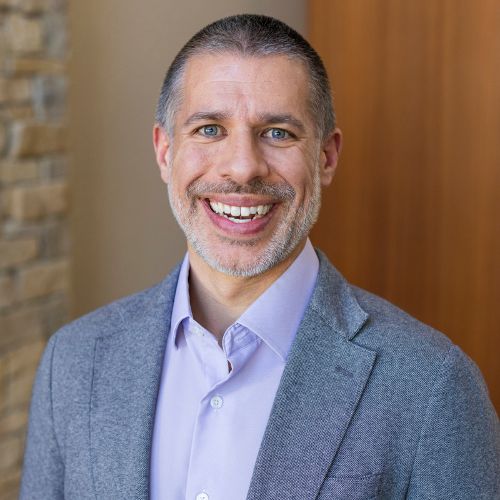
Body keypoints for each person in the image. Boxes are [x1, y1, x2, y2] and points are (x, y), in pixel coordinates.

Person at [21, 14, 498, 500]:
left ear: (326, 157)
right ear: (165, 152)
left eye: (277, 133)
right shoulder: (73, 361)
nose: (243, 167)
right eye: (210, 129)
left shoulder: (432, 385)